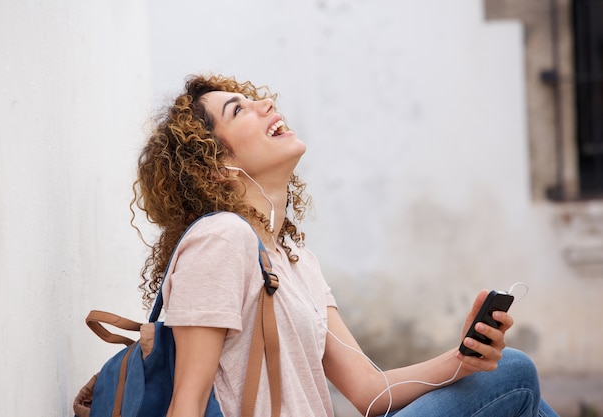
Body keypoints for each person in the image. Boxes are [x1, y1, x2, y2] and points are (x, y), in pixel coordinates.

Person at [131, 73, 559, 417]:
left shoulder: (297, 262)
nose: (266, 104)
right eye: (238, 109)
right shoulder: (220, 238)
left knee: (513, 382)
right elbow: (186, 404)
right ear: (216, 166)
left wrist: (464, 358)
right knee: (518, 373)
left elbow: (371, 394)